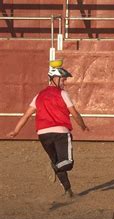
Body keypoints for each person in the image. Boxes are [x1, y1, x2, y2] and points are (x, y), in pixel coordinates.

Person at [7, 60, 89, 197]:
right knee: (67, 163)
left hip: (43, 135)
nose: (64, 82)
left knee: (58, 161)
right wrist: (83, 125)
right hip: (61, 133)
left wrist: (16, 131)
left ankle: (69, 191)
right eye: (63, 79)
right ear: (54, 79)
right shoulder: (63, 94)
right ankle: (54, 168)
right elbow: (74, 113)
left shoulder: (39, 96)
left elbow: (27, 115)